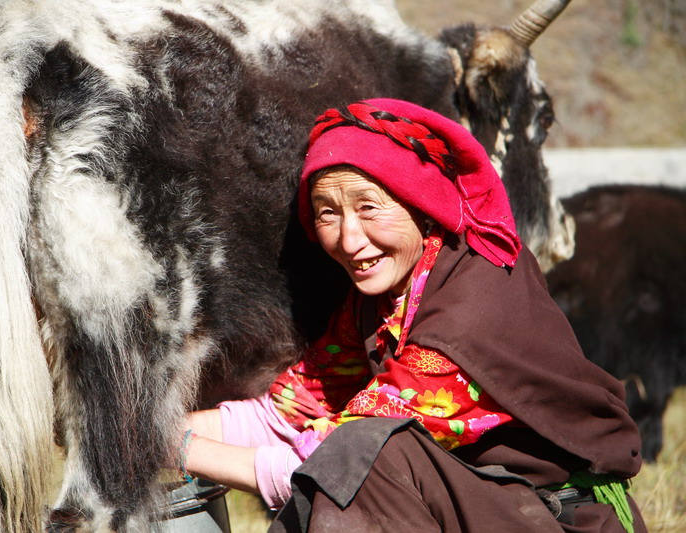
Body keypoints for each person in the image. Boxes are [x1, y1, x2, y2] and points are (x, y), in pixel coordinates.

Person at [181, 98, 646, 532]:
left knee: (372, 456)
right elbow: (289, 413)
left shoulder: (470, 311)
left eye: (368, 208)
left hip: (559, 517)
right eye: (327, 213)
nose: (349, 240)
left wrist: (174, 451)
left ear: (422, 204)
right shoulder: (386, 296)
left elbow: (330, 463)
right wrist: (158, 426)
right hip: (486, 503)